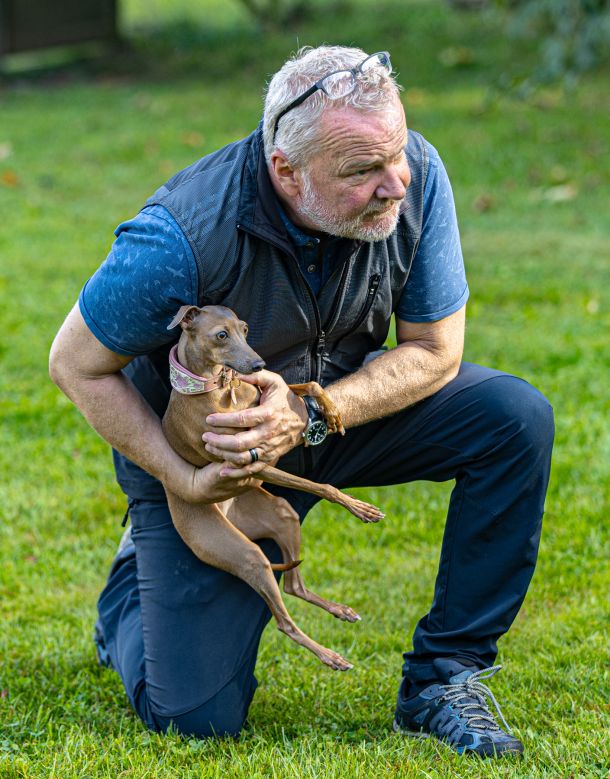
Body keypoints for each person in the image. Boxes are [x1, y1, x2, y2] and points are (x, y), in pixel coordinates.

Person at [49, 45, 554, 757]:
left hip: (332, 411)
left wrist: (313, 413)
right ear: (286, 170)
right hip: (211, 456)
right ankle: (129, 596)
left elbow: (436, 350)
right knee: (195, 715)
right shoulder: (180, 234)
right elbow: (73, 364)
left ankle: (446, 675)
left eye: (396, 154)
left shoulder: (417, 174)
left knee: (514, 419)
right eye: (362, 170)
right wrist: (181, 476)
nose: (396, 184)